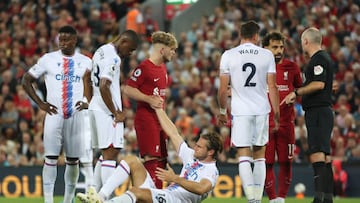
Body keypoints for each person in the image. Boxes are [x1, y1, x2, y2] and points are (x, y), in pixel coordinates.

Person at [77, 107, 222, 203]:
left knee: (136, 192)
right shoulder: (192, 155)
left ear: (210, 152)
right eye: (196, 145)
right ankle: (101, 196)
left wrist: (175, 179)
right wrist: (158, 108)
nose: (195, 147)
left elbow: (202, 188)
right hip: (166, 195)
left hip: (174, 201)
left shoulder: (211, 171)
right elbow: (173, 132)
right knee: (132, 160)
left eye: (199, 147)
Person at [22, 25, 92, 203]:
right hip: (54, 114)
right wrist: (41, 104)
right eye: (60, 39)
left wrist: (86, 101)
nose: (62, 43)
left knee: (73, 160)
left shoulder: (86, 61)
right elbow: (26, 80)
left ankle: (67, 200)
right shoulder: (48, 59)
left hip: (76, 115)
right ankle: (48, 200)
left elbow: (92, 87)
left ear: (75, 40)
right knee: (51, 158)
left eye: (67, 39)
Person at [217, 20, 280, 203]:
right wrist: (276, 112)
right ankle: (258, 199)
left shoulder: (229, 55)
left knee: (243, 153)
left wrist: (222, 110)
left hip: (240, 110)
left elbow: (223, 90)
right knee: (260, 155)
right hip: (261, 109)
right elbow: (273, 86)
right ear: (256, 36)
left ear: (241, 35)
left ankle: (251, 199)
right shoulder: (266, 55)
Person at [281, 27, 335, 203]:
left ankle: (319, 198)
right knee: (325, 155)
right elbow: (323, 84)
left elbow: (318, 84)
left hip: (318, 111)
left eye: (301, 41)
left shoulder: (318, 59)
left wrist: (296, 93)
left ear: (306, 41)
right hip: (323, 111)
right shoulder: (324, 58)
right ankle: (327, 198)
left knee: (318, 153)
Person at [123, 31, 178, 188]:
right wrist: (148, 99)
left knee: (162, 160)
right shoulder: (144, 67)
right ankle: (149, 196)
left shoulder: (162, 69)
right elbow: (128, 89)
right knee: (151, 159)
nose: (173, 53)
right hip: (146, 119)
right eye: (172, 49)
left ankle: (158, 195)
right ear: (162, 50)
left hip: (160, 120)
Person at [88, 30, 140, 191]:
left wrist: (89, 100)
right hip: (107, 111)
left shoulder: (100, 50)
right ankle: (106, 198)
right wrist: (116, 111)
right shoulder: (114, 58)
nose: (130, 54)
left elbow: (87, 77)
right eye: (130, 49)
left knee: (105, 155)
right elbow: (104, 85)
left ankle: (94, 195)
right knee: (111, 153)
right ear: (123, 41)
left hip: (95, 106)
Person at [262, 31, 303, 203]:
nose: (279, 50)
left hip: (287, 124)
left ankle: (281, 198)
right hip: (265, 124)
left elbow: (301, 90)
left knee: (286, 163)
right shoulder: (259, 68)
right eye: (274, 47)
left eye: (281, 47)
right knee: (267, 163)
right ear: (265, 48)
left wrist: (294, 93)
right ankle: (272, 199)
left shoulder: (292, 67)